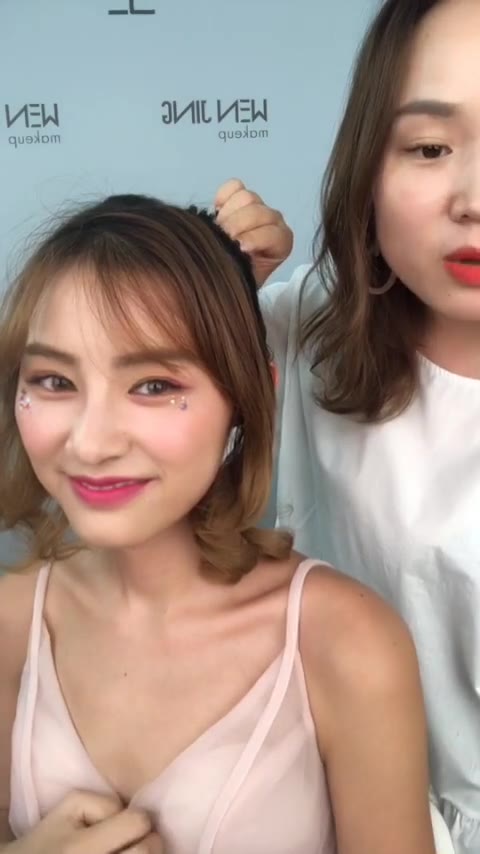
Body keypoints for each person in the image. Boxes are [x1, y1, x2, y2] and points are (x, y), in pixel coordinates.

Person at [0, 194, 434, 853]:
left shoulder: (345, 641)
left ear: (248, 395)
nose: (90, 442)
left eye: (153, 386)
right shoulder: (10, 622)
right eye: (55, 381)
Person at [214, 0, 480, 851]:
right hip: (302, 803)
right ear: (368, 165)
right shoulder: (312, 327)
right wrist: (217, 286)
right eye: (429, 148)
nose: (473, 201)